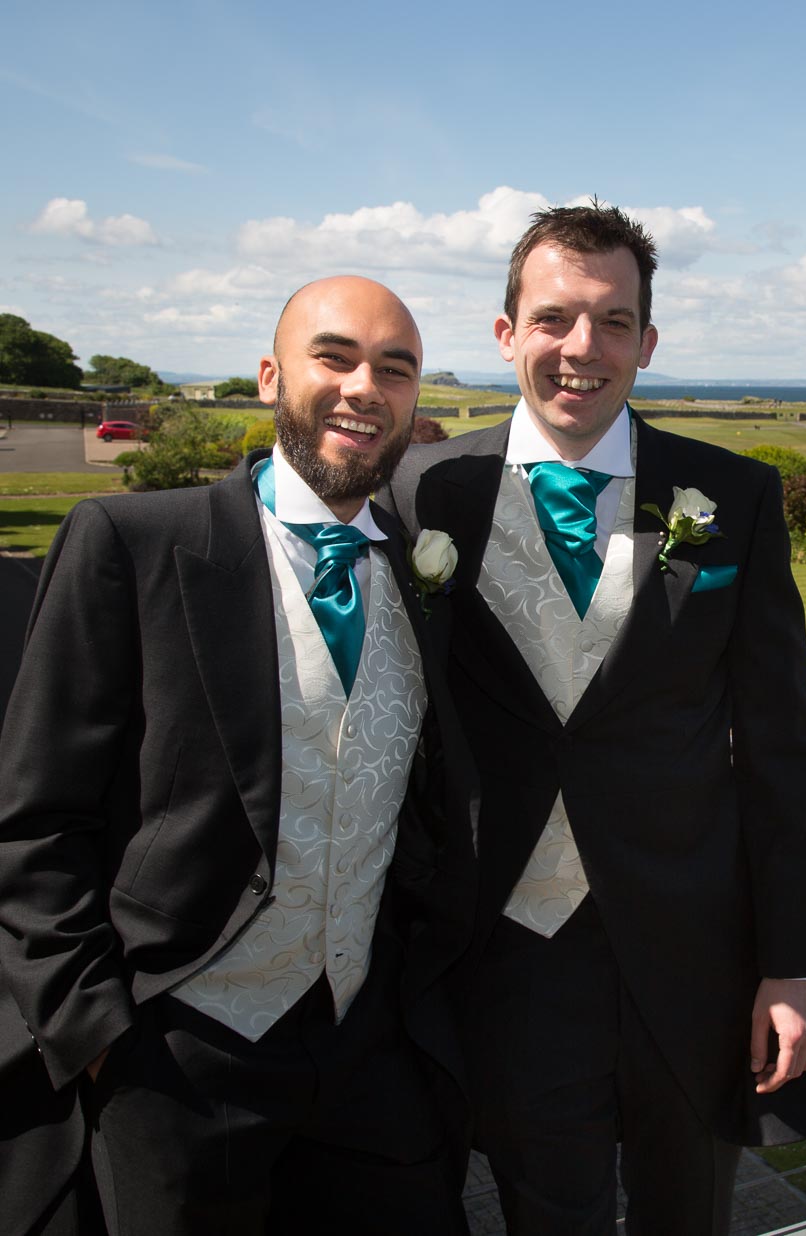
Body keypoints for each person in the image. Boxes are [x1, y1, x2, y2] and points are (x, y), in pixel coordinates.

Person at [382, 203, 806, 1235]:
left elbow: (782, 751)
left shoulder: (730, 497)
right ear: (506, 334)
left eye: (614, 322)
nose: (583, 348)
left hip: (695, 955)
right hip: (508, 953)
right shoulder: (425, 490)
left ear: (647, 343)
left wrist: (789, 965)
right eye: (556, 318)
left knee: (687, 1215)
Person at [0, 276, 475, 1236]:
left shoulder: (425, 567)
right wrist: (100, 1038)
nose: (365, 388)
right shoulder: (132, 544)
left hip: (369, 1045)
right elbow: (34, 817)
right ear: (270, 377)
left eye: (396, 368)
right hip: (178, 1054)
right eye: (334, 357)